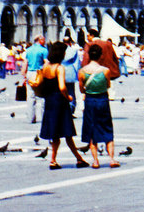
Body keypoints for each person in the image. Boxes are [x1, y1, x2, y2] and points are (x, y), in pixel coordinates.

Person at [32, 41, 88, 170]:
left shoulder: (45, 66)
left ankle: (55, 160)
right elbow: (62, 86)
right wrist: (68, 96)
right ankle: (78, 159)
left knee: (55, 133)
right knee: (67, 132)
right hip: (59, 101)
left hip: (49, 101)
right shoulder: (59, 67)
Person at [78, 43, 118, 168]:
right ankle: (111, 159)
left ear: (89, 56)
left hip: (90, 101)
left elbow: (81, 89)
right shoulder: (105, 71)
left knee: (91, 129)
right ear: (100, 56)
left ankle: (95, 161)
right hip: (103, 100)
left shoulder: (82, 71)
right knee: (107, 129)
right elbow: (108, 85)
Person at [23, 36, 48, 124]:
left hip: (29, 73)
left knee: (30, 96)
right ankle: (43, 118)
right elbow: (46, 62)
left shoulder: (28, 50)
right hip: (39, 73)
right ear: (40, 40)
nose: (44, 42)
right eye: (44, 40)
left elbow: (25, 63)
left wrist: (24, 75)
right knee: (41, 96)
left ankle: (30, 118)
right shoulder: (44, 50)